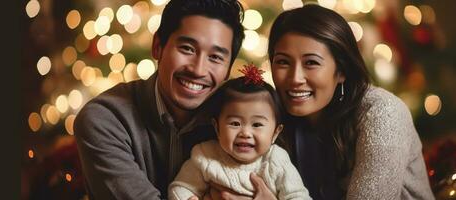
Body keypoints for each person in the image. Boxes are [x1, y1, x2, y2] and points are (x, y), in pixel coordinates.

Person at [73, 0, 245, 199]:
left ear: (228, 71)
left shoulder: (240, 123)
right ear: (157, 47)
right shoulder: (104, 119)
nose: (198, 70)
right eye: (187, 49)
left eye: (215, 57)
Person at [266, 4, 436, 200]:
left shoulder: (383, 112)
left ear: (342, 71)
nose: (295, 78)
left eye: (311, 62)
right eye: (283, 62)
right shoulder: (269, 114)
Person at [169, 65, 311, 200]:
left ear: (275, 133)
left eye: (257, 124)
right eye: (235, 123)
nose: (245, 133)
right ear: (217, 127)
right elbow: (181, 187)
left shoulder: (276, 161)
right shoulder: (205, 155)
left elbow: (298, 196)